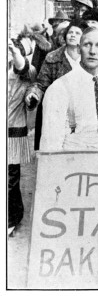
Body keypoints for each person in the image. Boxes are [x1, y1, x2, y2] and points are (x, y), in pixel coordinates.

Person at [39, 26, 98, 151]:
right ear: (79, 48)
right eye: (87, 45)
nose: (92, 51)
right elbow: (50, 143)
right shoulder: (59, 88)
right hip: (72, 163)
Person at [25, 19, 89, 151]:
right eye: (70, 32)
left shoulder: (91, 57)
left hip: (85, 114)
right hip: (58, 113)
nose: (72, 35)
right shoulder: (53, 57)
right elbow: (41, 84)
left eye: (77, 33)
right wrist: (33, 93)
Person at [8, 38, 36, 236]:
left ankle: (11, 218)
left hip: (13, 131)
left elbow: (21, 66)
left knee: (10, 177)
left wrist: (14, 52)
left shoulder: (27, 70)